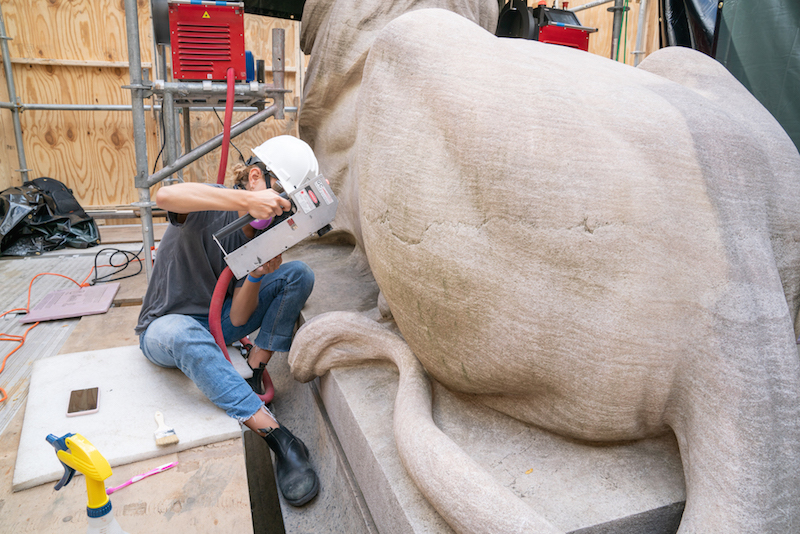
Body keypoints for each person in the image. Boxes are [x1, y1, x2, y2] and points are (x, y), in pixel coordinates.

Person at [135, 136, 320, 507]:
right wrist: (245, 202)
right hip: (165, 327)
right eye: (280, 194)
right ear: (255, 177)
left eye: (289, 204)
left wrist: (255, 274)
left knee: (297, 274)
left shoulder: (262, 233)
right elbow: (166, 197)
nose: (282, 209)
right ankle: (279, 438)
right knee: (185, 333)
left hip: (217, 322)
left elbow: (237, 316)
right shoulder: (211, 201)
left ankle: (254, 369)